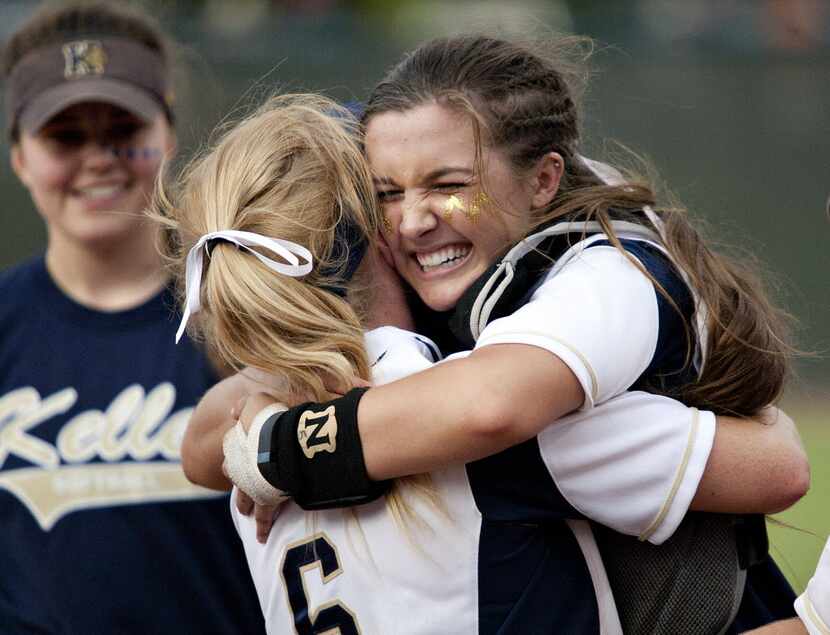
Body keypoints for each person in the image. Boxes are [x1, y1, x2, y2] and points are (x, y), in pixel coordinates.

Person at [214, 35, 809, 633]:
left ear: (545, 180)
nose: (415, 219)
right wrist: (264, 414)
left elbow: (488, 407)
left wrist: (275, 448)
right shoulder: (424, 318)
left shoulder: (610, 271)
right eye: (387, 194)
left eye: (448, 185)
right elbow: (202, 440)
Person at [0, 2, 263, 633]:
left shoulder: (247, 311)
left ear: (167, 133)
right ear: (18, 156)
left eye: (123, 127)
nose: (98, 157)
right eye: (65, 136)